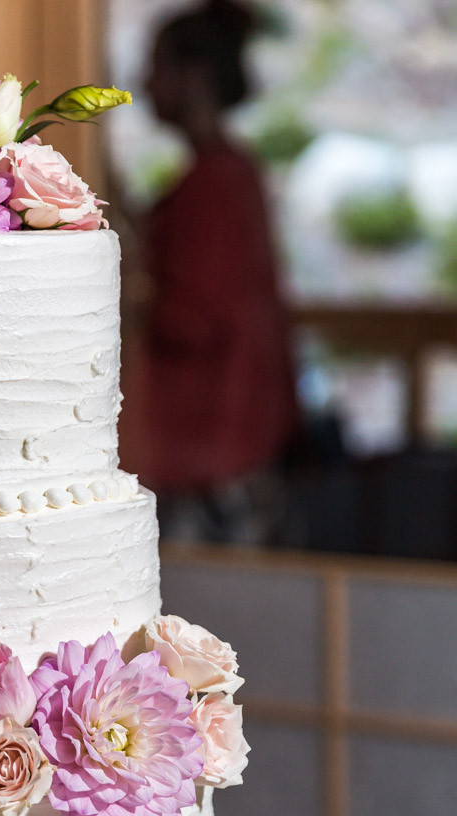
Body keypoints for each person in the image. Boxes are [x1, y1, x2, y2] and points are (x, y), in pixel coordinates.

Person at [122, 0, 297, 542]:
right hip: (228, 441)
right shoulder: (227, 173)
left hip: (210, 449)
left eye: (156, 66)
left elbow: (191, 319)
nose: (144, 82)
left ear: (193, 75)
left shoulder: (214, 185)